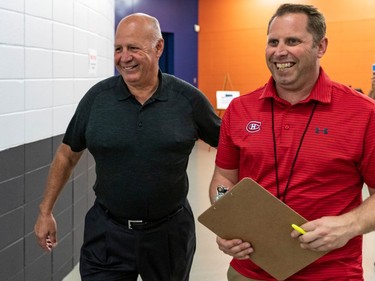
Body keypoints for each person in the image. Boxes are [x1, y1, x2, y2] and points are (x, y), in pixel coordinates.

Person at [34, 13, 221, 281]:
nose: (124, 57)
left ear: (158, 48)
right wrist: (45, 211)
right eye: (118, 49)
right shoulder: (97, 99)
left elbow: (230, 154)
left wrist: (229, 207)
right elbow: (66, 154)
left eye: (133, 48)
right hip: (108, 232)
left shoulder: (188, 100)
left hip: (169, 234)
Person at [209, 4, 375, 281]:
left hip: (330, 273)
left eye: (293, 41)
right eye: (273, 42)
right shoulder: (240, 110)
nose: (279, 51)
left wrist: (348, 225)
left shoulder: (363, 114)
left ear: (320, 47)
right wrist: (227, 220)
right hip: (249, 271)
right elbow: (224, 179)